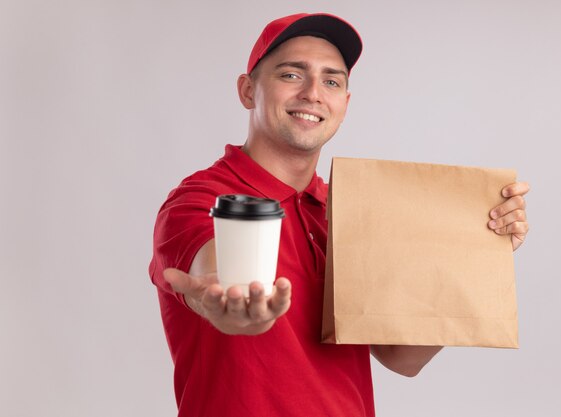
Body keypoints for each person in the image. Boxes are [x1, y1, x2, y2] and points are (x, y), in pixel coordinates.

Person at [149, 12, 530, 417]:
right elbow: (213, 269)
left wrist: (475, 248)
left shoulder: (351, 210)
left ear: (344, 105)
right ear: (247, 91)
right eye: (292, 75)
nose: (314, 93)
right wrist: (229, 300)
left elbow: (403, 358)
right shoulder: (199, 199)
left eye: (331, 81)